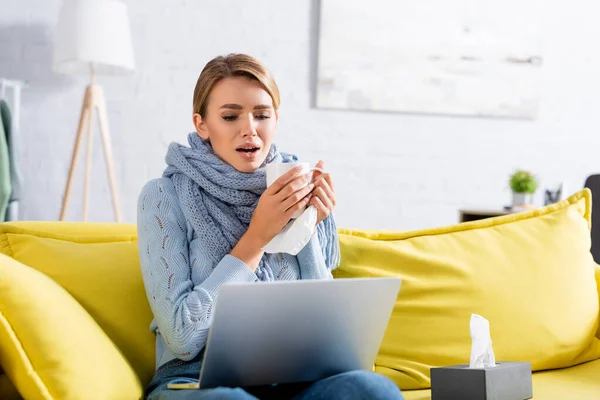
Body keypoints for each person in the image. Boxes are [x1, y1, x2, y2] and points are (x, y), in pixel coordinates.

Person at [137, 53, 404, 400]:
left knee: (370, 389)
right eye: (230, 116)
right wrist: (257, 237)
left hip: (295, 378)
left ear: (276, 119)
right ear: (202, 125)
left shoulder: (292, 181)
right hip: (196, 380)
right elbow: (183, 337)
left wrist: (305, 224)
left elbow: (329, 335)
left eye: (262, 115)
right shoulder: (164, 195)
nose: (249, 128)